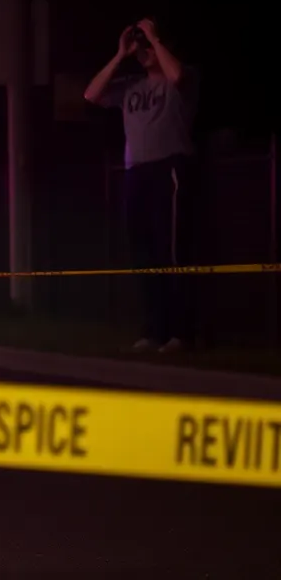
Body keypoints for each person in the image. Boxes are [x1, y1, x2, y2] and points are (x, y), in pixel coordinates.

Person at [84, 18, 199, 353]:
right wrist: (121, 55)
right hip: (137, 173)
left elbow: (176, 75)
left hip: (171, 168)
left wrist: (153, 37)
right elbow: (91, 94)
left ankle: (182, 332)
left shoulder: (182, 77)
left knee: (172, 253)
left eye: (149, 46)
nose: (144, 52)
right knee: (144, 254)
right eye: (142, 47)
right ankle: (153, 329)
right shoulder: (131, 87)